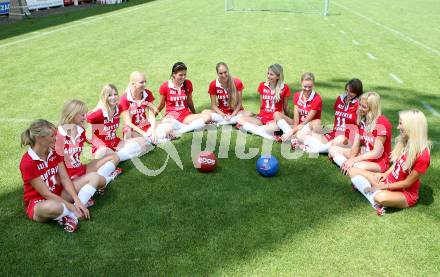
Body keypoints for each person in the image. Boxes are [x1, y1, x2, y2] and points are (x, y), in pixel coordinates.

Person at [20, 119, 102, 232]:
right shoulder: (27, 162)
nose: (56, 137)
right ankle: (71, 213)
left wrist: (77, 200)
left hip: (58, 193)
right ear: (39, 138)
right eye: (52, 135)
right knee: (55, 207)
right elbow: (46, 194)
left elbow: (64, 178)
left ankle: (75, 210)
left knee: (94, 177)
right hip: (39, 202)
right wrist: (72, 206)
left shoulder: (55, 151)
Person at [348, 110, 431, 215]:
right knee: (352, 171)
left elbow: (407, 183)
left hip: (404, 193)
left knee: (380, 197)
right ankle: (372, 192)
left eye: (401, 123)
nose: (398, 127)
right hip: (388, 181)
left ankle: (373, 196)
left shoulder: (423, 156)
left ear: (412, 127)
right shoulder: (405, 141)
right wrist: (384, 174)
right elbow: (397, 163)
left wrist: (382, 187)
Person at [56, 99, 121, 193]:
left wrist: (102, 146)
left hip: (80, 169)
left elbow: (91, 140)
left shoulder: (80, 130)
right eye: (82, 115)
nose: (85, 117)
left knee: (114, 156)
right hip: (68, 177)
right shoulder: (56, 135)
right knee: (96, 177)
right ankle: (103, 180)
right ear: (72, 115)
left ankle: (97, 182)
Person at [329, 91, 392, 174]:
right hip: (363, 155)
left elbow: (376, 153)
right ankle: (348, 167)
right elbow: (356, 145)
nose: (359, 108)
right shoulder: (362, 119)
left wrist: (354, 160)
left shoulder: (382, 123)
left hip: (378, 161)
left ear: (372, 109)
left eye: (364, 107)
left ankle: (350, 168)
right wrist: (351, 159)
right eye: (360, 104)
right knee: (332, 149)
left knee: (358, 166)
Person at [86, 83, 152, 161]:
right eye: (110, 95)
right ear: (105, 97)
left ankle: (117, 157)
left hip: (115, 142)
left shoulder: (119, 108)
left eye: (115, 94)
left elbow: (125, 98)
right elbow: (82, 122)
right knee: (103, 153)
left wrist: (133, 87)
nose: (113, 97)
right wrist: (91, 141)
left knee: (144, 144)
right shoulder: (99, 113)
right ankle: (118, 156)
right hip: (102, 147)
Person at [303, 78, 363, 153]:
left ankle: (317, 150)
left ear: (357, 92)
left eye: (351, 92)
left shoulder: (359, 105)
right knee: (308, 132)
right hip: (335, 133)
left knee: (339, 139)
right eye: (347, 90)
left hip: (348, 138)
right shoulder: (340, 99)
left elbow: (362, 124)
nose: (348, 93)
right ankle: (324, 147)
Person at [236, 64, 291, 140]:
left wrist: (286, 120)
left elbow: (285, 107)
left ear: (278, 76)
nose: (268, 76)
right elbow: (262, 105)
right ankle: (265, 133)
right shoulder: (262, 85)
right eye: (268, 73)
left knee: (274, 128)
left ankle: (254, 130)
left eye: (271, 74)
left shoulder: (284, 88)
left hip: (273, 120)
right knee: (239, 119)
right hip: (261, 118)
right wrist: (256, 117)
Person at [157, 62, 212, 135]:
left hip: (185, 116)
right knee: (162, 127)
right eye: (180, 75)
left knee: (207, 117)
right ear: (174, 74)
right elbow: (161, 105)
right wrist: (153, 116)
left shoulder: (188, 83)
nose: (183, 77)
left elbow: (189, 101)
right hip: (172, 116)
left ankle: (180, 130)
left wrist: (194, 114)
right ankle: (190, 127)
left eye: (185, 75)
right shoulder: (165, 86)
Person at [120, 71, 174, 144]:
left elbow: (151, 116)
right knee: (129, 138)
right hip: (132, 130)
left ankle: (152, 140)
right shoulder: (124, 98)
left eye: (145, 82)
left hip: (145, 125)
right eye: (141, 82)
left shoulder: (147, 93)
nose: (144, 84)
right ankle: (158, 140)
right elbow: (128, 123)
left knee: (169, 127)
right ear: (133, 84)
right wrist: (144, 134)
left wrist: (153, 130)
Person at [274, 72, 322, 147]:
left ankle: (291, 137)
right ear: (301, 83)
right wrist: (294, 130)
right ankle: (294, 139)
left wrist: (290, 133)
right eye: (305, 86)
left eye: (310, 87)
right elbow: (296, 117)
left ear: (313, 85)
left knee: (317, 122)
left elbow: (305, 122)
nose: (307, 89)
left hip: (308, 126)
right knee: (276, 114)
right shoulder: (297, 95)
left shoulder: (317, 99)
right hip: (297, 125)